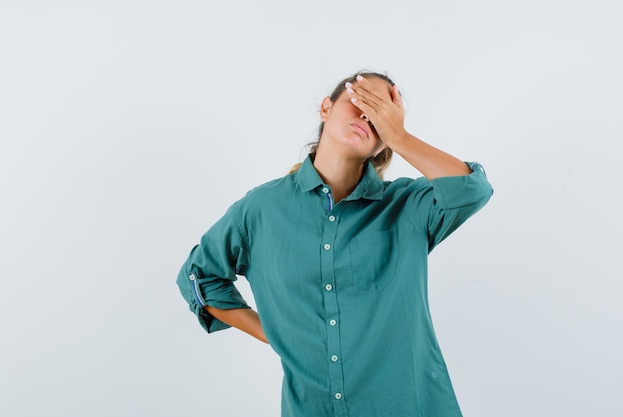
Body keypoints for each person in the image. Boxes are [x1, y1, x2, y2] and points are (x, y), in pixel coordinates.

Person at [176, 71, 493, 417]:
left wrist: (400, 135)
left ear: (384, 140)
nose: (366, 117)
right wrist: (275, 333)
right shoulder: (260, 210)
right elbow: (199, 277)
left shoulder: (408, 206)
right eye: (361, 101)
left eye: (379, 116)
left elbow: (471, 190)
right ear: (326, 108)